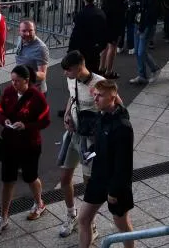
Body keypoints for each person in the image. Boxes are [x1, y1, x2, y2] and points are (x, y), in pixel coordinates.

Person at [0, 65, 51, 234]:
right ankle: (3, 217)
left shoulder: (37, 97)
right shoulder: (9, 92)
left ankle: (39, 202)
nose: (14, 84)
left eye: (17, 81)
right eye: (12, 80)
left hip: (29, 144)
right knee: (7, 180)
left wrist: (26, 125)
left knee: (30, 177)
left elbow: (45, 121)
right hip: (9, 143)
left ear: (26, 81)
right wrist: (5, 122)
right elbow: (0, 111)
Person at [78, 79, 135, 248]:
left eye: (100, 96)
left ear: (112, 97)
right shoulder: (102, 117)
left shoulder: (122, 126)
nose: (95, 99)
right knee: (83, 219)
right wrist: (90, 153)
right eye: (95, 95)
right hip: (98, 178)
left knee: (122, 224)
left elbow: (123, 164)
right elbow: (100, 145)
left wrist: (114, 191)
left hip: (115, 184)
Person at [58, 51, 105, 239]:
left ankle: (90, 222)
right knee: (64, 176)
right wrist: (68, 114)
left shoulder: (99, 83)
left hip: (90, 142)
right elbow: (72, 97)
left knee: (88, 182)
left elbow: (115, 106)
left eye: (68, 70)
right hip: (73, 135)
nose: (65, 73)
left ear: (79, 67)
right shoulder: (72, 79)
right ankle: (72, 215)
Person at [131, 0, 162, 84]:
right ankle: (141, 75)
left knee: (141, 51)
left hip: (146, 26)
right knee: (138, 52)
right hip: (139, 23)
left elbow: (151, 14)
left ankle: (154, 69)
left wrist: (142, 26)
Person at [99, 0, 128, 79]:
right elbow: (122, 10)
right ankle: (109, 71)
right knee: (112, 47)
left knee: (104, 47)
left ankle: (101, 67)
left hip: (105, 23)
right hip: (115, 24)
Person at [14, 20, 50, 94]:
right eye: (24, 31)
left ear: (35, 31)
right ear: (19, 31)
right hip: (22, 87)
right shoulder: (20, 39)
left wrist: (25, 73)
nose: (27, 34)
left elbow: (42, 75)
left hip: (35, 92)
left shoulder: (41, 48)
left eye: (30, 31)